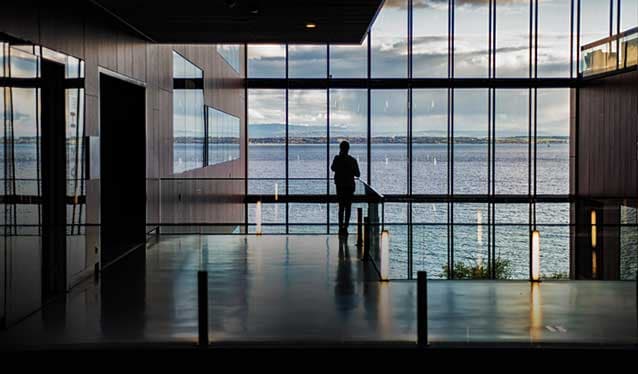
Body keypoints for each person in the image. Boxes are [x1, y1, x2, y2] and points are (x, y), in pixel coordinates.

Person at [331, 140, 360, 235]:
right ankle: (346, 227)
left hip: (340, 186)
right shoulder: (353, 160)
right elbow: (358, 174)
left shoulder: (337, 158)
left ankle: (340, 227)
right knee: (348, 208)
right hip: (350, 186)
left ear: (340, 148)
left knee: (341, 207)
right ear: (348, 149)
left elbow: (333, 168)